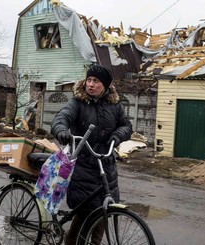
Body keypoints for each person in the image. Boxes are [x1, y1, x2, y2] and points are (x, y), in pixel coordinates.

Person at [50, 64, 133, 244]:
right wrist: (61, 130)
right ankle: (72, 241)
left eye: (96, 81)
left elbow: (126, 125)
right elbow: (61, 117)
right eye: (89, 80)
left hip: (106, 165)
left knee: (103, 211)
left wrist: (116, 136)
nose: (91, 84)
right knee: (85, 211)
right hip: (83, 165)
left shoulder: (114, 105)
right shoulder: (78, 103)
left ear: (105, 86)